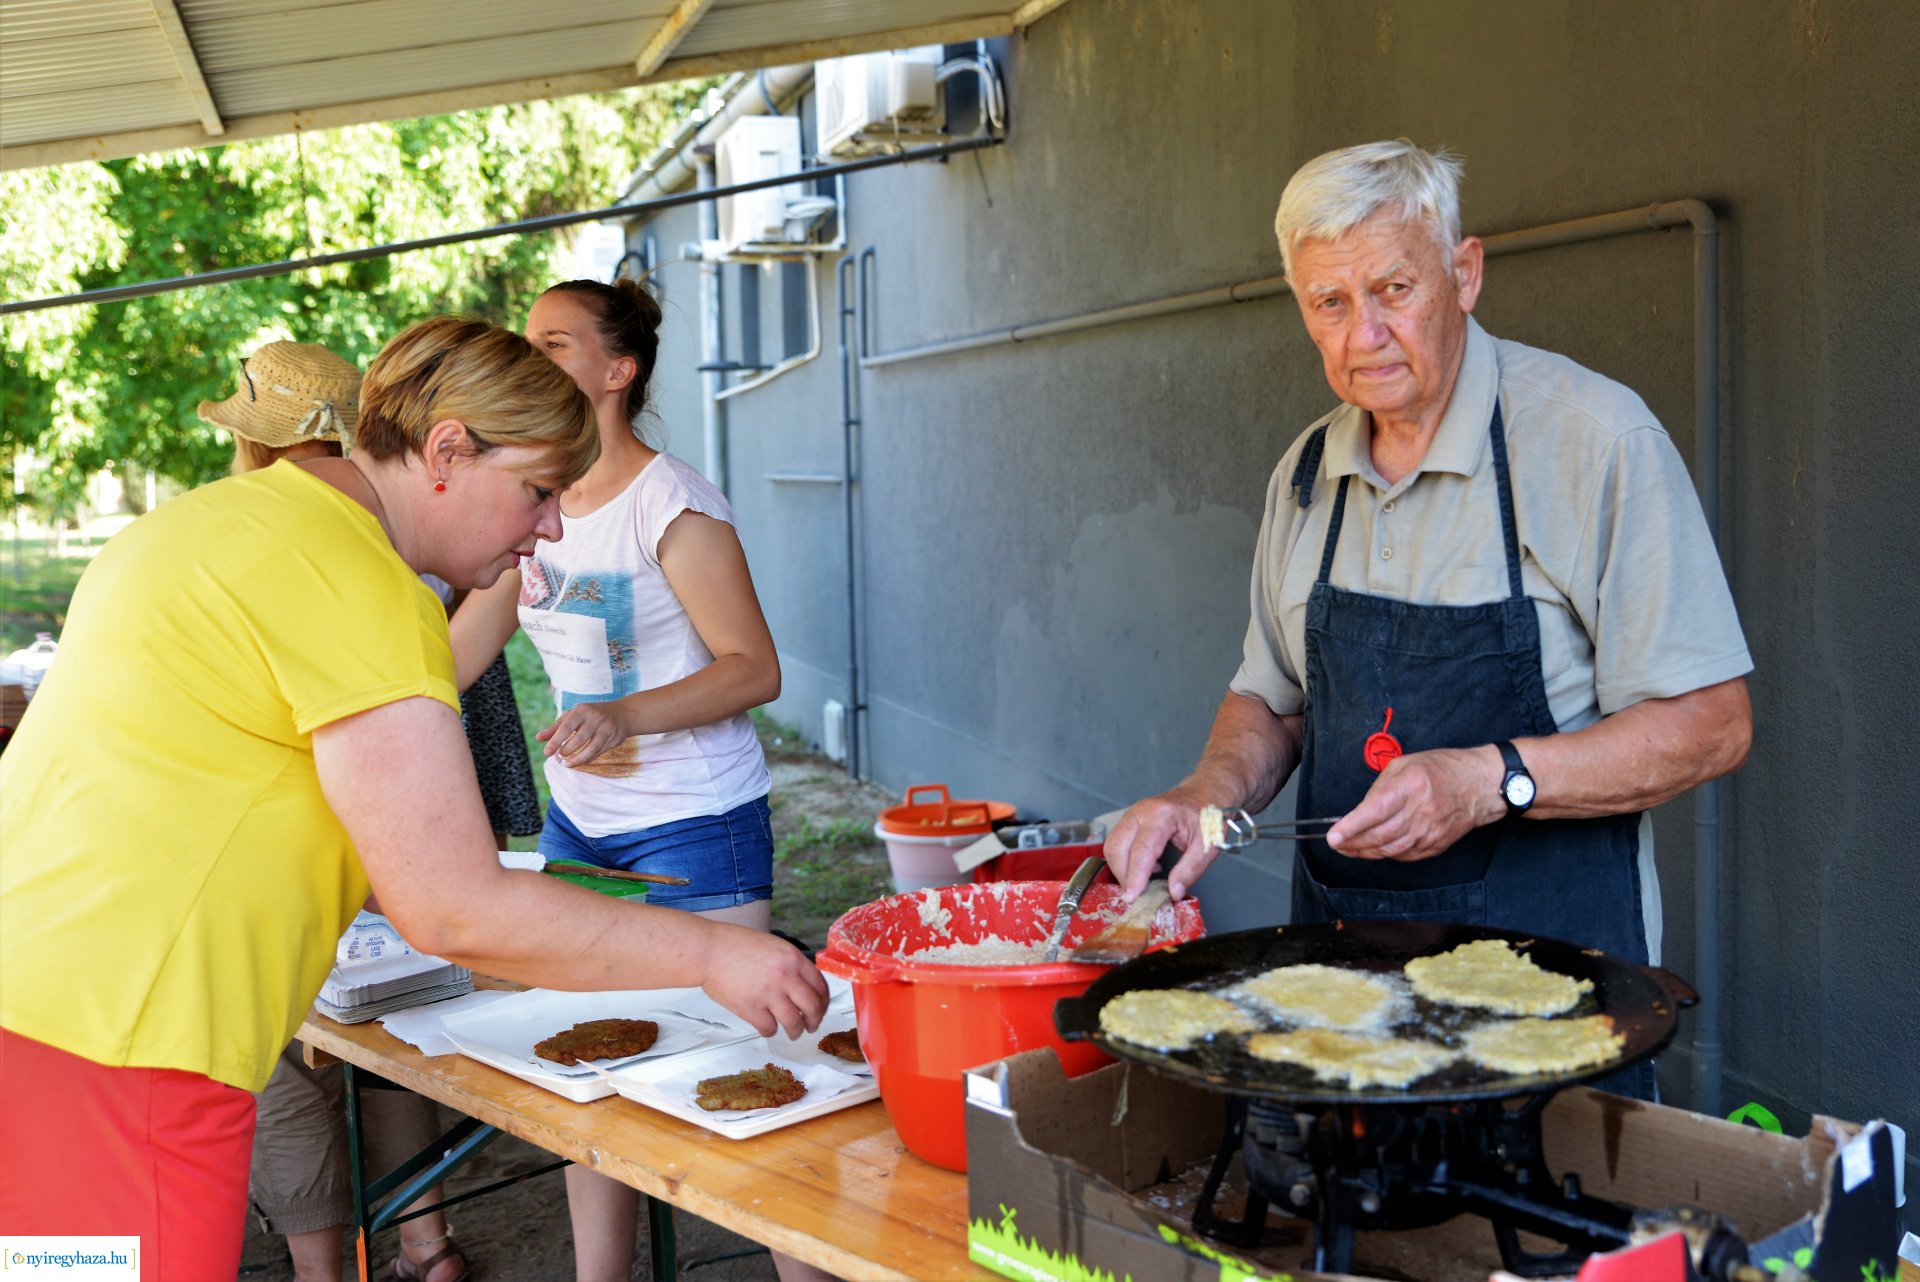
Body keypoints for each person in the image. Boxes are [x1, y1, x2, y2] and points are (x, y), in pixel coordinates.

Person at [0, 316, 827, 1281]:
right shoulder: (359, 581)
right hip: (126, 1050)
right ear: (446, 452)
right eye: (538, 491)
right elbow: (451, 907)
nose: (550, 526)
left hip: (45, 1016)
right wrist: (717, 952)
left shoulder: (206, 522)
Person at [1104, 140, 1753, 1098]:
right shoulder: (1304, 475)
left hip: (1560, 1008)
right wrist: (1206, 800)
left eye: (1394, 289)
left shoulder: (1595, 444)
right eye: (1330, 302)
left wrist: (1494, 782)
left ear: (1464, 274)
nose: (1364, 333)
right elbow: (1273, 701)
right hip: (1342, 1013)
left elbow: (1713, 726)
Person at [448, 277, 823, 1282]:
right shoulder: (531, 503)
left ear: (618, 372)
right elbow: (454, 657)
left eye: (557, 342)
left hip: (698, 824)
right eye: (525, 340)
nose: (531, 357)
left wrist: (624, 714)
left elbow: (755, 666)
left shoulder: (672, 499)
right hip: (583, 830)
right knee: (587, 1069)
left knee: (743, 1076)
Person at [197, 341, 477, 1282]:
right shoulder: (379, 533)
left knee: (282, 1061)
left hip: (278, 848)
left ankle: (327, 1272)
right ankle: (425, 1242)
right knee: (392, 1028)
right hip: (374, 823)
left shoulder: (248, 536)